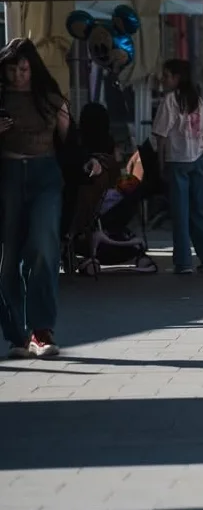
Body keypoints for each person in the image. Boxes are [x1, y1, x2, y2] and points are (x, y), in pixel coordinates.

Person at [0, 38, 103, 358]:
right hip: (7, 177)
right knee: (8, 260)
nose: (19, 75)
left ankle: (42, 330)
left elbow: (70, 142)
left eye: (25, 69)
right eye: (13, 69)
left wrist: (87, 159)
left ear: (34, 69)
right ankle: (17, 334)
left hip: (46, 178)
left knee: (43, 248)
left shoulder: (50, 98)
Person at [153, 59, 203, 276]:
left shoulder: (170, 101)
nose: (163, 79)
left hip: (177, 160)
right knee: (200, 210)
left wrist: (160, 164)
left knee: (180, 213)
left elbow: (161, 136)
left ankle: (183, 261)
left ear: (177, 78)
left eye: (167, 75)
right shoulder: (198, 101)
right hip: (199, 158)